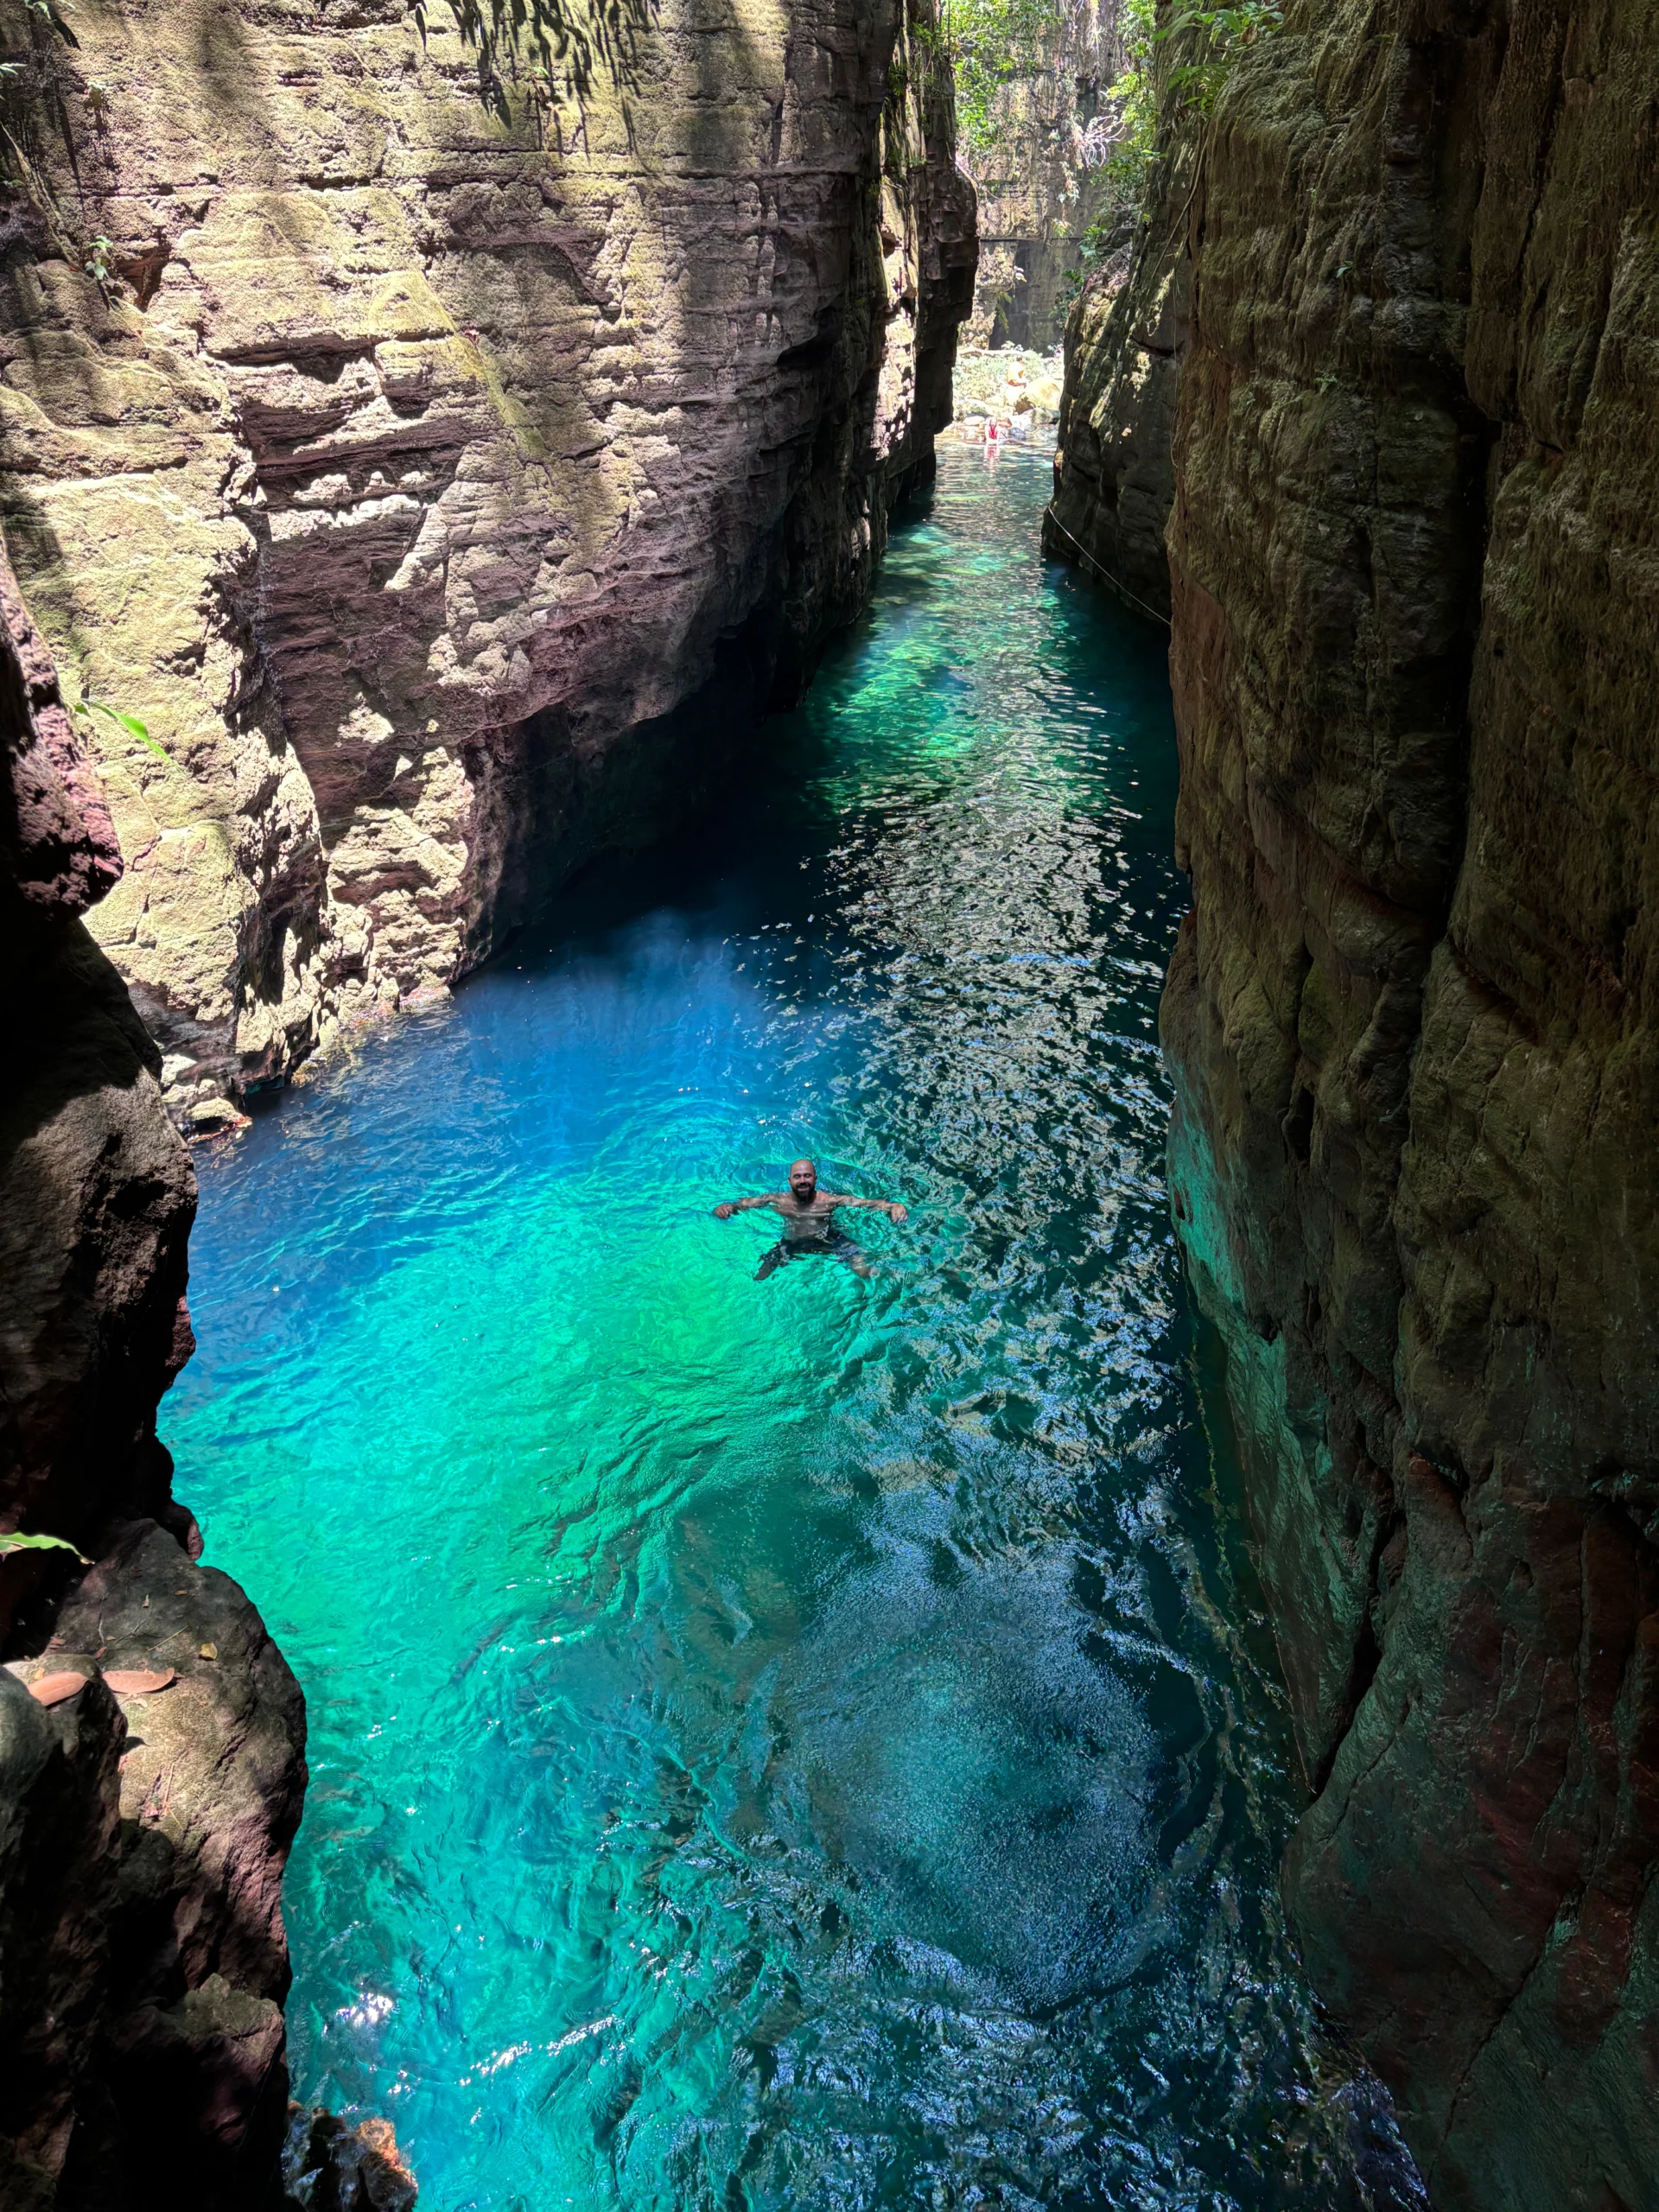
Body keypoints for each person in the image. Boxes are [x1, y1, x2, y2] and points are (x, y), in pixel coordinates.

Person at [713, 1158, 908, 1281]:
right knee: (760, 1277)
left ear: (815, 1178)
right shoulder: (777, 1200)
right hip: (792, 1243)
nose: (803, 1180)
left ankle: (897, 1276)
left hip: (830, 1240)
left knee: (864, 1271)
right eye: (797, 1177)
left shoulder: (830, 1201)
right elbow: (742, 1204)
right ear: (790, 1181)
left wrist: (893, 1206)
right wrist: (726, 1207)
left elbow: (867, 1203)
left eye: (807, 1176)